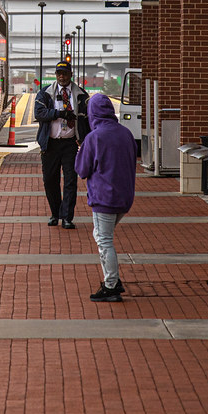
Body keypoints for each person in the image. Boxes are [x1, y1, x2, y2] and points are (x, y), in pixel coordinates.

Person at [74, 92, 136, 302]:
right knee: (103, 235)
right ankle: (112, 282)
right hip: (125, 197)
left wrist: (80, 151)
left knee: (104, 240)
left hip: (104, 198)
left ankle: (111, 284)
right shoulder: (125, 133)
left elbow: (82, 169)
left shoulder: (94, 137)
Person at [34, 60, 89, 229]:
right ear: (56, 75)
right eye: (59, 74)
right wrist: (59, 113)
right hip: (50, 144)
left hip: (70, 144)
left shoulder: (81, 95)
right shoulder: (45, 93)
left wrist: (86, 140)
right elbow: (39, 113)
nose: (62, 77)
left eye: (65, 74)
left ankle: (67, 217)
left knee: (70, 181)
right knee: (50, 180)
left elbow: (87, 120)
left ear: (71, 75)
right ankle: (55, 213)